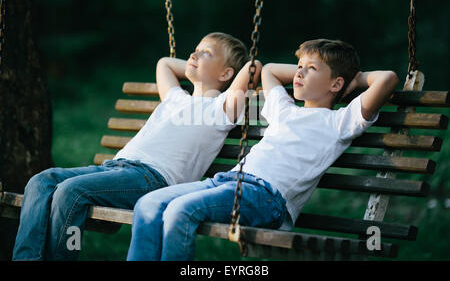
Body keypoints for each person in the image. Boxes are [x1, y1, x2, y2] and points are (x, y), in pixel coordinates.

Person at [126, 38, 399, 261]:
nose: (300, 73)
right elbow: (268, 70)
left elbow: (387, 78)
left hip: (267, 197)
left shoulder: (340, 122)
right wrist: (316, 72)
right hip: (227, 182)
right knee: (148, 204)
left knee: (180, 211)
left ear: (337, 84)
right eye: (299, 66)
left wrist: (354, 80)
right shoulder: (283, 109)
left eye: (311, 69)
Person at [13, 32, 261, 261]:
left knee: (70, 192)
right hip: (115, 169)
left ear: (226, 74)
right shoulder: (176, 97)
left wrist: (216, 69)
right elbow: (164, 62)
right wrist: (194, 64)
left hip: (152, 179)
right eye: (194, 50)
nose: (194, 55)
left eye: (206, 52)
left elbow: (252, 68)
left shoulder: (222, 108)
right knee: (40, 181)